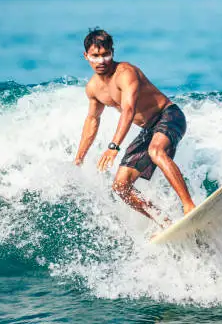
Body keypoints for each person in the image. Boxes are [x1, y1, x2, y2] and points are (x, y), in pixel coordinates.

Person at [73, 28, 195, 226]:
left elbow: (128, 110)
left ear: (112, 52)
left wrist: (113, 147)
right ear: (86, 56)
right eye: (96, 56)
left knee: (156, 151)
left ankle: (189, 205)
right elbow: (92, 120)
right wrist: (79, 158)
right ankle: (164, 221)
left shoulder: (126, 73)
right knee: (121, 186)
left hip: (169, 115)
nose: (101, 61)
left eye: (106, 54)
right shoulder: (93, 88)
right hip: (149, 128)